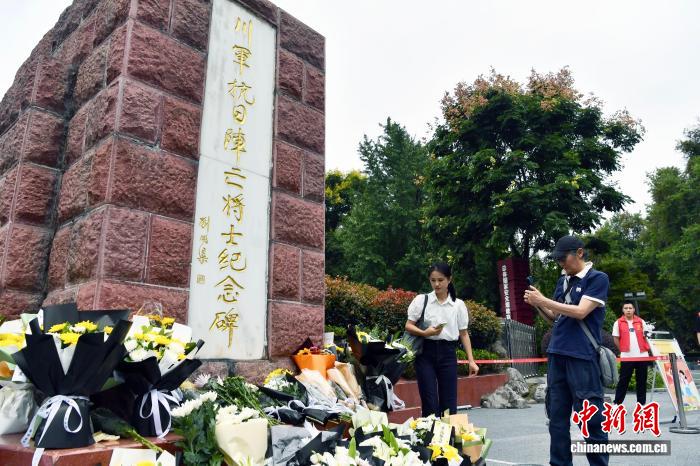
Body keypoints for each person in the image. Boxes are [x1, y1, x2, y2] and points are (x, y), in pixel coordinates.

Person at [524, 235, 609, 466]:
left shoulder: (597, 278)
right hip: (557, 353)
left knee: (591, 419)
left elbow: (581, 311)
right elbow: (555, 317)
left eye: (563, 258)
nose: (561, 263)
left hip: (582, 355)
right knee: (557, 419)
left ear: (579, 253)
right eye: (558, 259)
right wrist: (538, 303)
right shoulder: (563, 281)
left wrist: (544, 300)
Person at [404, 262, 479, 417]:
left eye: (440, 280)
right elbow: (408, 325)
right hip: (425, 353)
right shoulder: (422, 300)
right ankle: (430, 432)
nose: (437, 284)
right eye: (433, 280)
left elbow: (464, 334)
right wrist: (424, 333)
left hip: (448, 354)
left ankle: (449, 432)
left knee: (449, 403)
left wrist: (471, 361)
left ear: (449, 279)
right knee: (429, 402)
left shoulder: (458, 305)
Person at [612, 301, 651, 405]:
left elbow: (647, 337)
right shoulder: (618, 322)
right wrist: (622, 350)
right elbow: (615, 338)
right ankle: (617, 404)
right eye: (626, 308)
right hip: (627, 356)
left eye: (630, 308)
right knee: (623, 381)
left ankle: (641, 405)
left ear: (634, 309)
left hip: (642, 356)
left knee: (641, 381)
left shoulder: (641, 321)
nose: (628, 310)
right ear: (623, 310)